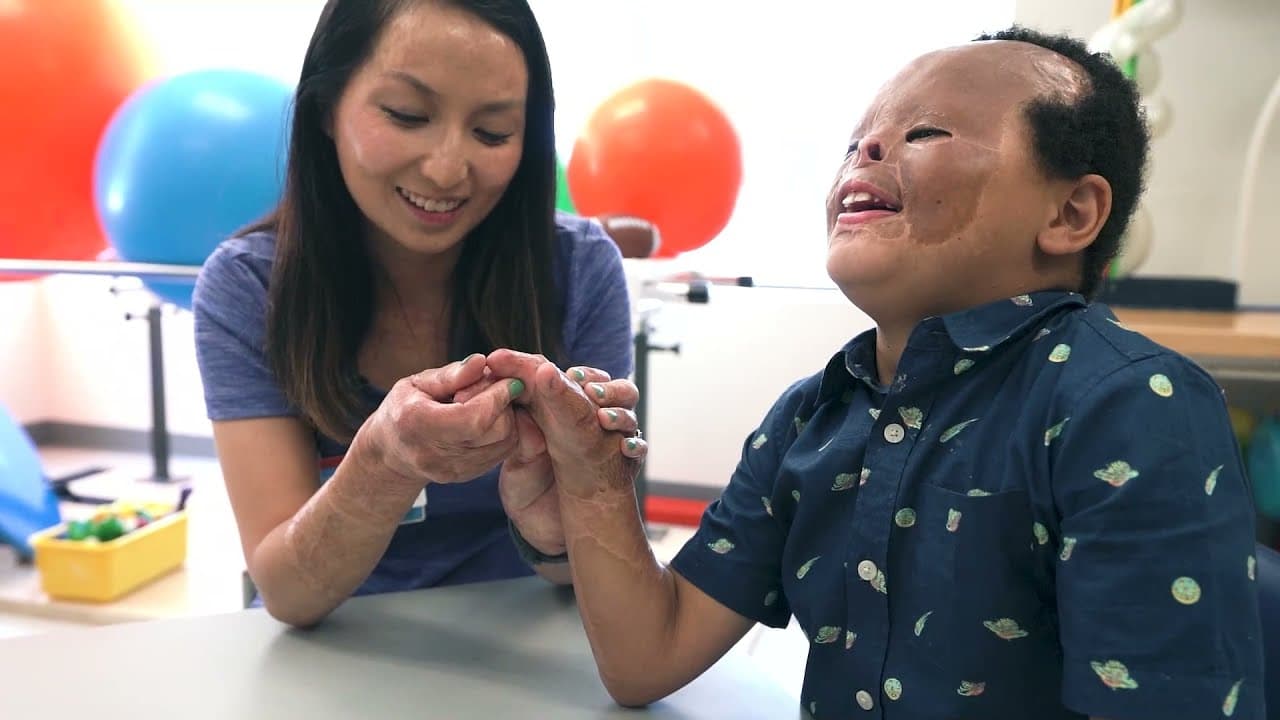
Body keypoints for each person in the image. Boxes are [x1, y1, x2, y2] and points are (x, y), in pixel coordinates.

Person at [490, 25, 1267, 720]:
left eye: (924, 131)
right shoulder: (811, 418)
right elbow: (645, 658)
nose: (864, 151)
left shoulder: (1129, 406)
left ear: (1069, 216)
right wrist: (591, 480)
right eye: (856, 141)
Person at [192, 0, 641, 629]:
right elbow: (286, 592)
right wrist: (384, 462)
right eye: (407, 115)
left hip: (520, 644)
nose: (447, 168)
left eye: (492, 133)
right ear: (326, 107)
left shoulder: (580, 269)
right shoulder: (247, 288)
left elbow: (590, 577)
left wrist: (558, 528)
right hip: (332, 647)